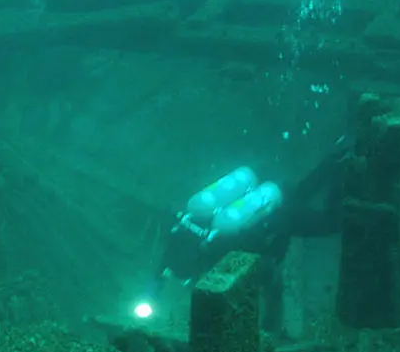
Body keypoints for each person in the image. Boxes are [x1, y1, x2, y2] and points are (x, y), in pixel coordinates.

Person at [150, 136, 354, 336]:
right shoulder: (181, 241)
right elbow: (158, 276)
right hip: (267, 197)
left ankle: (340, 168)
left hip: (277, 216)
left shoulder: (215, 257)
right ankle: (335, 161)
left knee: (331, 222)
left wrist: (275, 254)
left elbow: (268, 275)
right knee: (300, 193)